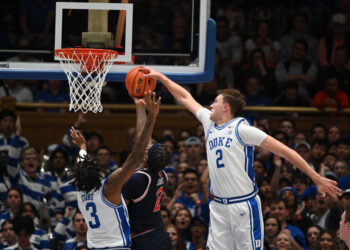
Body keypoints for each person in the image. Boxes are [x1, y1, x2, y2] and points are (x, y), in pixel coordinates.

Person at [140, 66, 342, 250]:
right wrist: (161, 78)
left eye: (216, 102)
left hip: (243, 205)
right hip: (218, 205)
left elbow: (286, 151)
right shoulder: (208, 123)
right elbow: (185, 97)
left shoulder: (242, 129)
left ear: (226, 107)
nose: (210, 105)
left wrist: (315, 177)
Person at [69, 92, 160, 249]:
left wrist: (82, 147)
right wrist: (152, 117)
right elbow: (137, 154)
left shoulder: (80, 190)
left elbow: (81, 168)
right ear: (99, 173)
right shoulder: (109, 188)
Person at [121, 98, 172, 250]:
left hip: (143, 238)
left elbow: (120, 209)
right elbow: (144, 138)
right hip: (159, 235)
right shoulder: (163, 174)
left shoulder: (137, 179)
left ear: (145, 157)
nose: (146, 146)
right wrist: (140, 108)